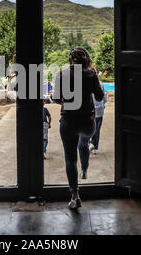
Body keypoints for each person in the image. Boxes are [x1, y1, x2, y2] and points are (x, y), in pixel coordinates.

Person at [52, 47, 104, 210]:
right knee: (84, 142)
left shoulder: (62, 74)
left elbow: (56, 98)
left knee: (70, 158)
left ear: (70, 60)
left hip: (69, 122)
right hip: (88, 123)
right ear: (86, 59)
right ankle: (85, 169)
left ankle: (75, 196)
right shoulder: (91, 74)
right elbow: (100, 96)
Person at [89, 75, 107, 155]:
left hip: (89, 110)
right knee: (97, 129)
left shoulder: (86, 83)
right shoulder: (101, 84)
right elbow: (104, 97)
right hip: (99, 109)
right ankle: (95, 147)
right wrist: (103, 104)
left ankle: (89, 144)